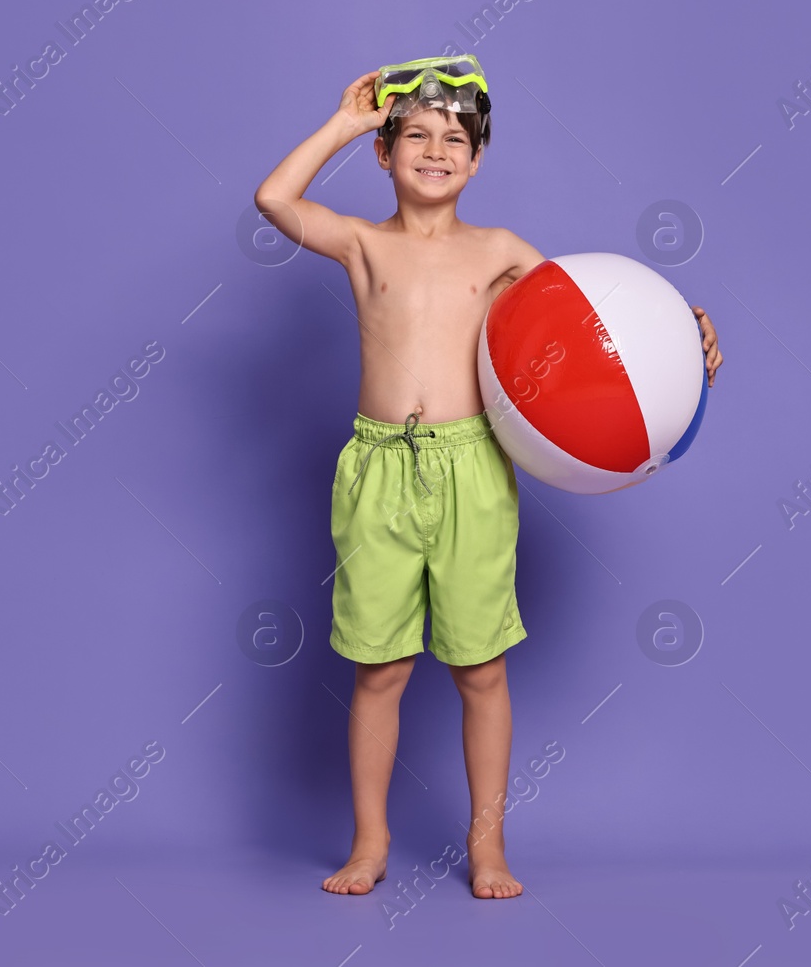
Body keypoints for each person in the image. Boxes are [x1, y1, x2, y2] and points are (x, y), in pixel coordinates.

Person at [253, 57, 724, 900]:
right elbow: (275, 200)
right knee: (380, 669)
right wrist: (347, 121)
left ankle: (488, 845)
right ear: (387, 155)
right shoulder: (364, 244)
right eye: (417, 136)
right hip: (378, 469)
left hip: (472, 467)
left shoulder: (501, 252)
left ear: (475, 163)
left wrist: (683, 342)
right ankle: (370, 841)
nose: (436, 150)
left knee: (481, 670)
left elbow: (593, 322)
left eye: (455, 140)